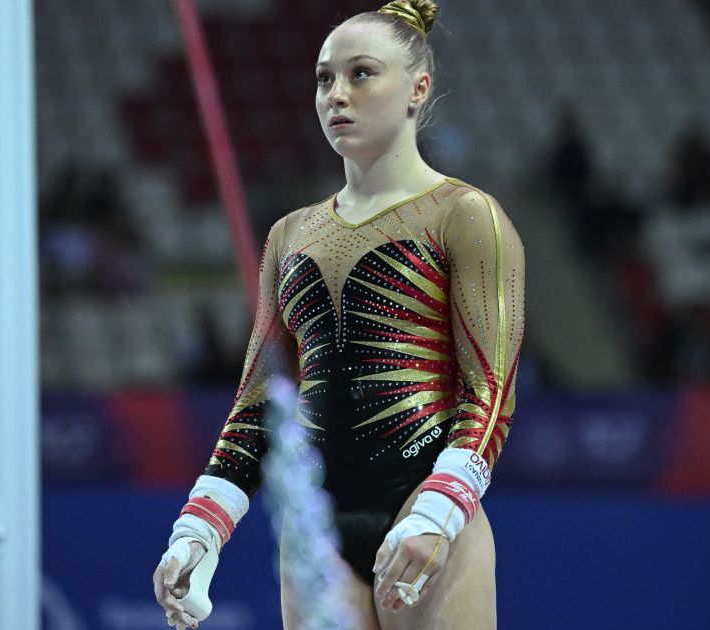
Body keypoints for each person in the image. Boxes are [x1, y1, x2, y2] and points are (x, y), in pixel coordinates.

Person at [152, 1, 525, 628]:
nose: (337, 95)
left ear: (418, 88)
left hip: (424, 513)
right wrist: (199, 530)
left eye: (361, 73)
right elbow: (257, 407)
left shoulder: (464, 216)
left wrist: (440, 510)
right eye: (325, 78)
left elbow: (491, 392)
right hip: (315, 537)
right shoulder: (291, 235)